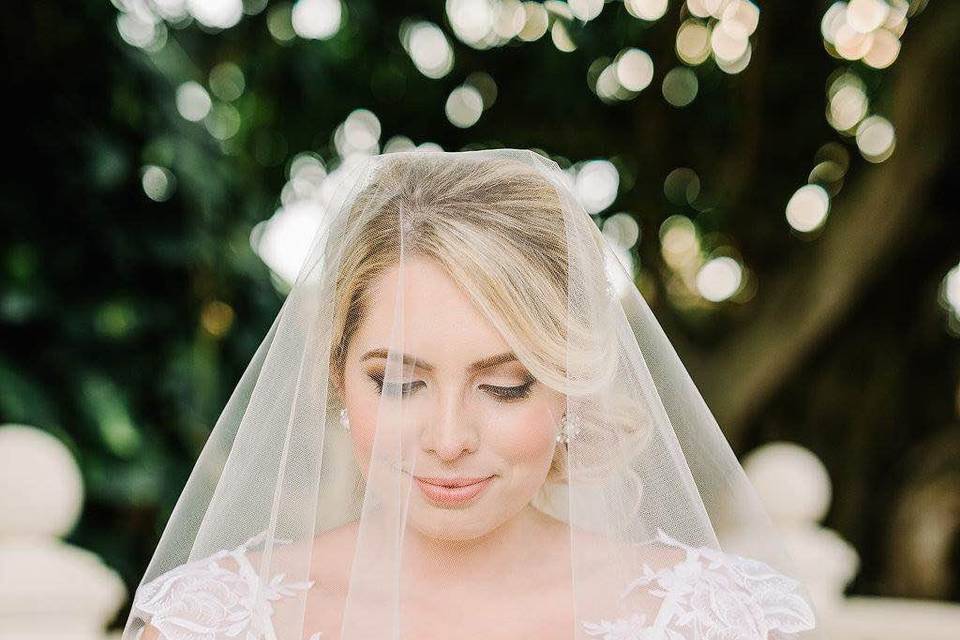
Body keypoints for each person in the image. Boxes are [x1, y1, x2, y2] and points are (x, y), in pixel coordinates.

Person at [121, 149, 821, 639]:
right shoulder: (215, 622)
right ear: (338, 376)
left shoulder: (710, 620)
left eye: (506, 386)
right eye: (398, 382)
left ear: (568, 387)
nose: (448, 438)